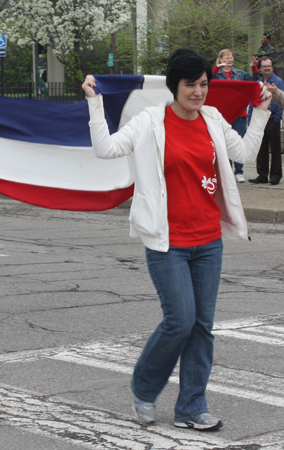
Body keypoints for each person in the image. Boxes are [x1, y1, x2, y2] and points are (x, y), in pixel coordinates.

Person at [82, 50, 271, 430]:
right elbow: (107, 149)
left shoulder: (213, 120)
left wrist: (262, 111)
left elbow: (246, 152)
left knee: (202, 326)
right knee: (180, 320)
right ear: (175, 86)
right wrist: (95, 103)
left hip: (208, 241)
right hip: (167, 242)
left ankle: (191, 407)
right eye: (191, 84)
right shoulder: (150, 122)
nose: (199, 92)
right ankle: (145, 385)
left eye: (204, 84)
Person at [213, 49, 259, 183]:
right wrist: (217, 68)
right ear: (220, 59)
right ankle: (227, 171)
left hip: (239, 113)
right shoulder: (216, 74)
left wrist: (254, 68)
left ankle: (239, 171)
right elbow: (207, 79)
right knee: (224, 142)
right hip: (222, 113)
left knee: (239, 140)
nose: (229, 61)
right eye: (226, 58)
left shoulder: (239, 73)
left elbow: (253, 83)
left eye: (231, 58)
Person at [248, 57, 284, 185]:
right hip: (259, 119)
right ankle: (262, 175)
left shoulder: (278, 82)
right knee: (260, 147)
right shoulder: (258, 82)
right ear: (261, 68)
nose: (267, 68)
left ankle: (275, 175)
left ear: (272, 67)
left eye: (269, 66)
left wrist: (276, 118)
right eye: (264, 66)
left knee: (275, 148)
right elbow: (253, 100)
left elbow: (281, 101)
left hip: (272, 119)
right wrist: (251, 118)